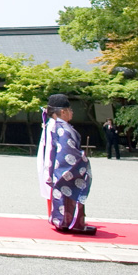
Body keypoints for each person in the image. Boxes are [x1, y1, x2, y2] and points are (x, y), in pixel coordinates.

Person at [42, 94, 96, 235]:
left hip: (59, 167)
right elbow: (67, 150)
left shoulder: (57, 125)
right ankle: (72, 223)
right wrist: (82, 159)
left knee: (63, 195)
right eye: (70, 109)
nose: (72, 112)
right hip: (66, 166)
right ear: (63, 111)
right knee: (72, 193)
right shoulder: (62, 128)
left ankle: (63, 221)